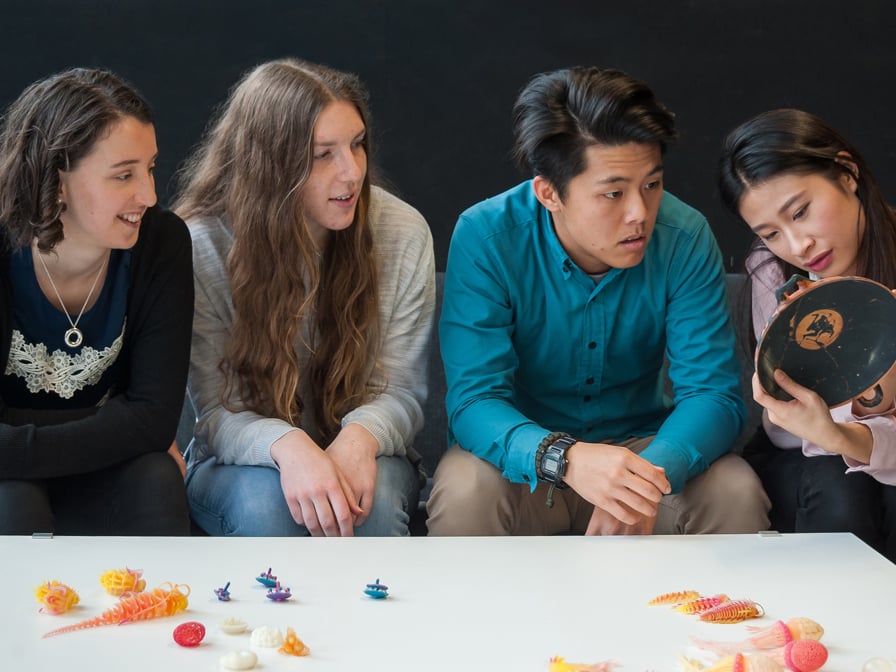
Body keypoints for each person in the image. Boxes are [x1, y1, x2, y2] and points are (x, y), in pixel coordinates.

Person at [427, 66, 769, 536]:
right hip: (525, 464)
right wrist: (564, 458)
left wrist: (642, 481)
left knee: (735, 489)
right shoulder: (486, 236)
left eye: (652, 184)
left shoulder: (684, 236)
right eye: (613, 193)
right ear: (549, 193)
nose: (640, 213)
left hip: (645, 454)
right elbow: (474, 401)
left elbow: (713, 395)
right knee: (465, 486)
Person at [174, 59, 436, 537]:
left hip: (367, 450)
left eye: (357, 144)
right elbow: (216, 412)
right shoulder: (202, 244)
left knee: (369, 507)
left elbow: (400, 392)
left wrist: (359, 438)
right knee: (270, 509)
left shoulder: (402, 231)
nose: (352, 172)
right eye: (323, 155)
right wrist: (290, 447)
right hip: (243, 463)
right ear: (270, 165)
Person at [0, 68, 193, 535]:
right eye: (123, 175)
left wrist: (16, 440)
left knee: (157, 478)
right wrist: (120, 423)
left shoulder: (161, 242)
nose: (149, 195)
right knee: (13, 501)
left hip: (91, 466)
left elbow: (154, 418)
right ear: (57, 179)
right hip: (17, 477)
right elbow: (139, 422)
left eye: (150, 168)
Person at [719, 108, 896, 561]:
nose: (798, 246)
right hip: (800, 453)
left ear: (847, 173)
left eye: (801, 212)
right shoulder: (773, 272)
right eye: (771, 233)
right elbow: (797, 426)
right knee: (841, 490)